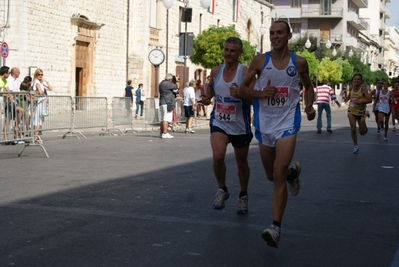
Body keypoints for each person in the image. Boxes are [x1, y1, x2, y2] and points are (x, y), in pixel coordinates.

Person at [237, 20, 316, 248]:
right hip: (264, 124)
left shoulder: (299, 63)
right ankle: (293, 173)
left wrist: (309, 106)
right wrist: (261, 93)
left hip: (288, 123)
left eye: (279, 33)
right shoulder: (260, 61)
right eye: (272, 33)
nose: (274, 36)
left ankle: (275, 228)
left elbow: (308, 87)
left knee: (278, 171)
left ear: (289, 36)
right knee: (273, 175)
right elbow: (242, 90)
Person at [201, 37, 253, 215]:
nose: (228, 54)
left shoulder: (245, 72)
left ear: (240, 53)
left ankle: (243, 195)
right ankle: (222, 189)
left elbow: (252, 99)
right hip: (219, 122)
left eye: (232, 51)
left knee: (241, 164)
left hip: (240, 125)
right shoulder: (216, 71)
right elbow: (210, 90)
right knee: (217, 156)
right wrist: (207, 98)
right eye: (226, 50)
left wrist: (240, 94)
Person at [344, 74, 372, 154]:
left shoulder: (363, 89)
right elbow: (350, 96)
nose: (356, 80)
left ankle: (365, 122)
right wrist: (346, 99)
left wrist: (360, 101)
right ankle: (356, 146)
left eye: (358, 79)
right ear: (353, 80)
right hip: (351, 111)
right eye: (355, 79)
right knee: (353, 129)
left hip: (361, 113)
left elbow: (370, 100)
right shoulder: (351, 88)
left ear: (361, 81)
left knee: (362, 132)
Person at [159, 73, 178, 138]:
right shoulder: (166, 83)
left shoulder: (162, 83)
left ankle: (162, 133)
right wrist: (177, 80)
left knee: (163, 119)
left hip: (163, 102)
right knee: (166, 119)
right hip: (167, 103)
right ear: (170, 79)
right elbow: (176, 86)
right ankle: (165, 133)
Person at [31, 68, 48, 141]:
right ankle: (35, 136)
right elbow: (41, 92)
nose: (40, 76)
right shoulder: (37, 82)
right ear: (36, 75)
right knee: (37, 119)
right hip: (39, 102)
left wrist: (46, 81)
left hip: (41, 102)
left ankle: (36, 135)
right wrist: (43, 93)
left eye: (41, 74)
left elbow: (50, 88)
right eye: (39, 74)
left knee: (38, 119)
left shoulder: (39, 82)